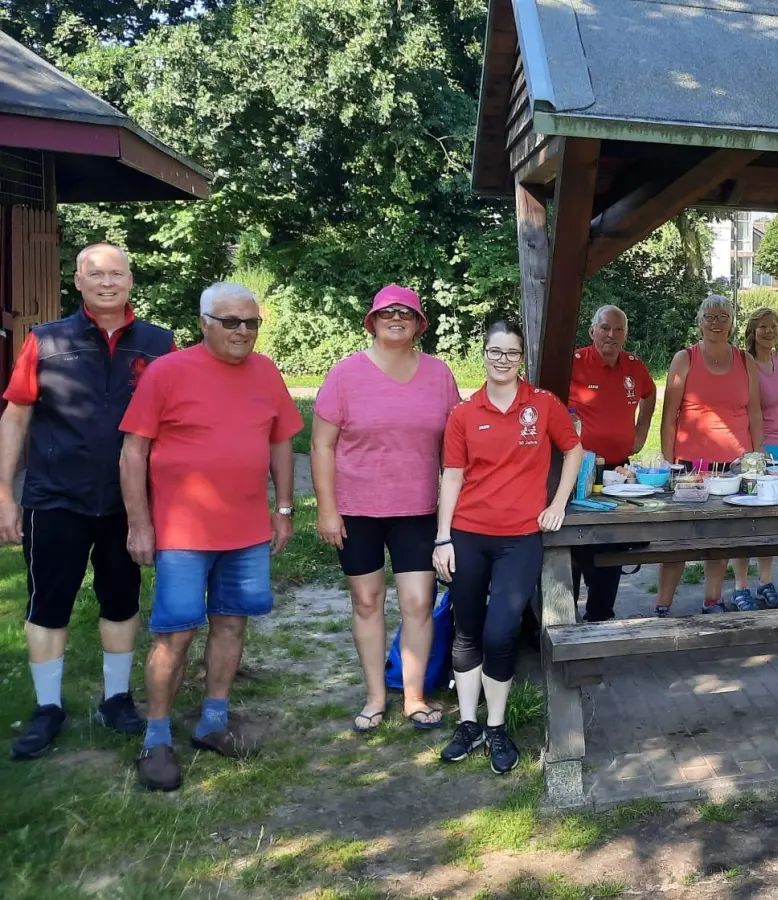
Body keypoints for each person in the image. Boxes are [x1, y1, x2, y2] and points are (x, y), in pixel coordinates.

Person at [120, 282, 301, 791]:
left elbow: (282, 442)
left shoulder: (266, 372)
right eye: (231, 322)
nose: (243, 332)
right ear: (204, 323)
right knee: (175, 634)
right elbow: (133, 452)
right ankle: (156, 739)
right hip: (182, 532)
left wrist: (283, 509)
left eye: (252, 323)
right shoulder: (167, 372)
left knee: (231, 626)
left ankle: (212, 723)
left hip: (246, 531)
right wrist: (139, 522)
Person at [0, 243, 174, 759]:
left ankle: (116, 700)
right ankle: (47, 708)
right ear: (77, 281)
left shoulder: (159, 344)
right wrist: (5, 494)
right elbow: (15, 416)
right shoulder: (44, 341)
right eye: (95, 274)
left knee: (120, 599)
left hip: (128, 503)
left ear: (130, 280)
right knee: (47, 604)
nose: (106, 282)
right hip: (55, 497)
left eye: (116, 273)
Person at [433, 322, 582, 775]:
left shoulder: (542, 404)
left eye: (511, 353)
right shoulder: (463, 413)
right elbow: (453, 477)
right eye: (494, 352)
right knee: (466, 632)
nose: (502, 360)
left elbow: (573, 449)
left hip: (520, 538)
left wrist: (557, 504)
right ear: (483, 354)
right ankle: (469, 722)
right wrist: (442, 538)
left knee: (501, 633)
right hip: (467, 535)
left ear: (522, 359)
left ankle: (497, 727)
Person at [312, 285, 460, 732]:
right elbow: (321, 444)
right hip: (356, 510)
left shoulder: (439, 375)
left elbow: (455, 448)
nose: (396, 318)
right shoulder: (345, 374)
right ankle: (376, 696)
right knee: (367, 600)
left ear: (419, 325)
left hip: (417, 510)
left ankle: (414, 697)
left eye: (406, 313)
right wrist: (327, 509)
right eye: (386, 312)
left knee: (419, 602)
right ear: (372, 321)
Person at [656, 295, 764, 615]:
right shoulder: (685, 358)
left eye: (723, 317)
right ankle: (662, 605)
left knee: (721, 540)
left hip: (734, 467)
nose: (716, 323)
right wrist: (669, 463)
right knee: (678, 542)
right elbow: (669, 416)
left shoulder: (746, 361)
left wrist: (757, 459)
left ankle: (712, 600)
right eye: (710, 316)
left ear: (732, 323)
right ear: (699, 321)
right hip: (692, 467)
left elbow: (755, 414)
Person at [567, 304, 656, 622]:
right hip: (576, 472)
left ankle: (600, 615)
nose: (611, 335)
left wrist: (641, 432)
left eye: (618, 330)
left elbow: (649, 393)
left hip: (618, 468)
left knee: (612, 542)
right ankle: (564, 617)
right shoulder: (573, 363)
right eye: (605, 328)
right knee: (574, 543)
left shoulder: (634, 366)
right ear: (592, 331)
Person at [742, 306, 778, 609]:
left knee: (772, 523)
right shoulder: (746, 361)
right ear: (752, 332)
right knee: (748, 521)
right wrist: (758, 449)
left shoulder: (777, 358)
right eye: (762, 327)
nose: (769, 331)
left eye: (774, 326)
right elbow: (750, 407)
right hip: (757, 448)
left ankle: (765, 582)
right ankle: (740, 586)